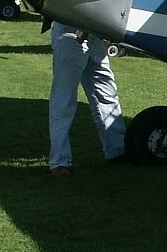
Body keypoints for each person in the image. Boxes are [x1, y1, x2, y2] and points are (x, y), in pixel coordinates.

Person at [48, 23, 126, 175]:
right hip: (70, 32)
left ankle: (117, 149)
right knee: (64, 100)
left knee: (106, 93)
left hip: (94, 32)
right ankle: (59, 161)